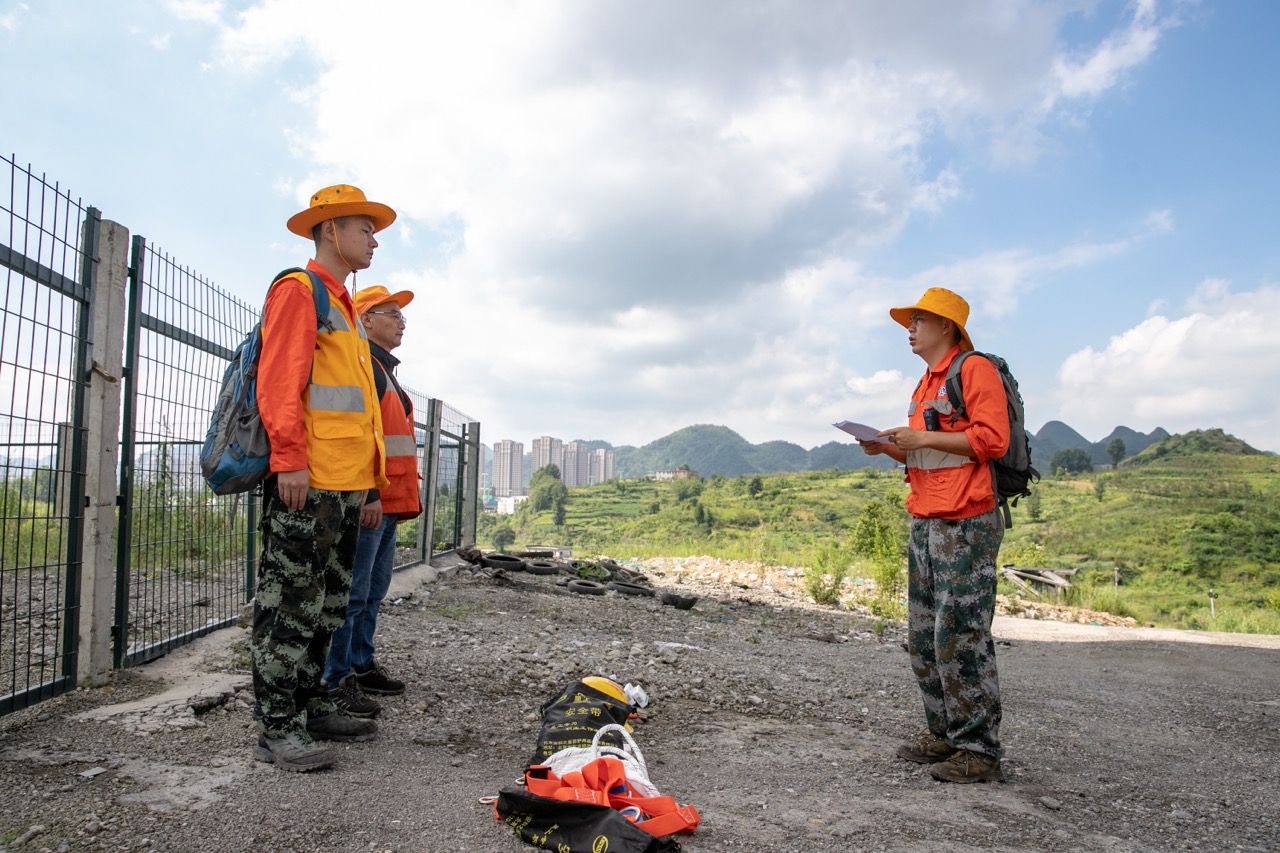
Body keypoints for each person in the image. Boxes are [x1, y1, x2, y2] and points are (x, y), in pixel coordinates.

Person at [251, 184, 395, 772]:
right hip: (306, 480)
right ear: (331, 230)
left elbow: (358, 410)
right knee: (290, 604)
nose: (374, 239)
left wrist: (367, 486)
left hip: (343, 482)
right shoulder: (299, 291)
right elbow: (280, 381)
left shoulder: (344, 307)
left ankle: (310, 706)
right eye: (365, 227)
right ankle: (277, 726)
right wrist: (288, 458)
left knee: (328, 604)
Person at [859, 286, 1010, 783]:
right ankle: (944, 735)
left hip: (966, 521)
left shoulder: (974, 370)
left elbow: (992, 439)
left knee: (959, 635)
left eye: (919, 320)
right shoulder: (926, 383)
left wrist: (919, 437)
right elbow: (931, 453)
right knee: (924, 636)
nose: (910, 329)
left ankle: (979, 751)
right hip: (926, 518)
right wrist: (891, 449)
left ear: (947, 326)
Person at [324, 285, 422, 718]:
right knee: (354, 593)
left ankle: (360, 664)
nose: (401, 322)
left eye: (402, 316)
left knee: (373, 591)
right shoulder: (363, 368)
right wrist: (369, 493)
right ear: (365, 320)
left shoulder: (383, 368)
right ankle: (339, 675)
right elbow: (361, 436)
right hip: (373, 501)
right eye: (392, 314)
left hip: (389, 502)